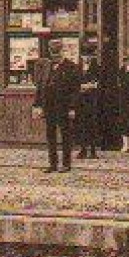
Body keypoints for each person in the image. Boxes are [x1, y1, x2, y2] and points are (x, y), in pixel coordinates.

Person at [33, 38, 81, 173]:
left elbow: (75, 90)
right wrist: (37, 105)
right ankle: (52, 163)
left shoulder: (71, 67)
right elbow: (40, 87)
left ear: (62, 52)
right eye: (53, 53)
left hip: (64, 106)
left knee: (66, 135)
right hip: (49, 106)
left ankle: (66, 164)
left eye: (58, 53)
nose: (55, 56)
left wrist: (72, 107)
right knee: (50, 136)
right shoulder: (46, 67)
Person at [75, 47, 104, 160]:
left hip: (92, 100)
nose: (86, 58)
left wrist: (92, 86)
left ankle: (92, 150)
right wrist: (80, 87)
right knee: (81, 124)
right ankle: (82, 149)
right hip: (80, 100)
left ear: (92, 57)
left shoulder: (96, 67)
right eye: (84, 56)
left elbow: (100, 82)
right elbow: (74, 83)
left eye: (89, 56)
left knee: (92, 124)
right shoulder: (77, 68)